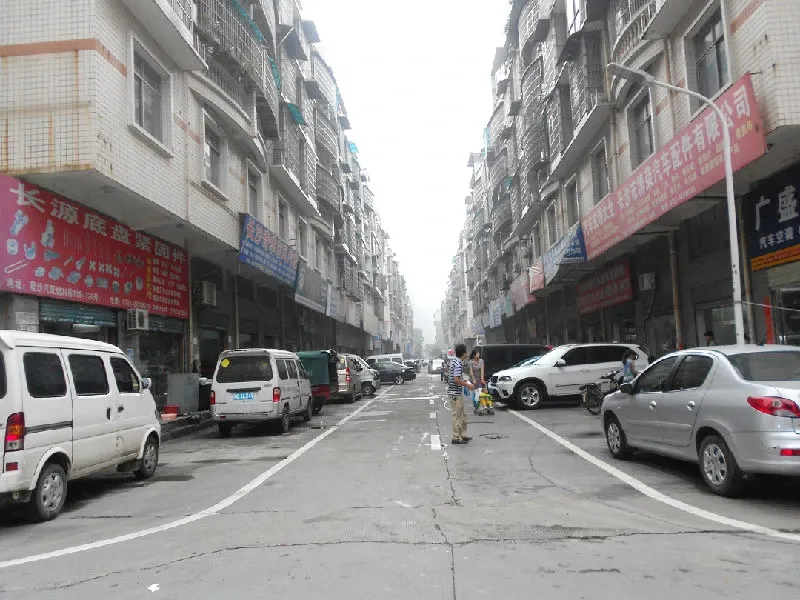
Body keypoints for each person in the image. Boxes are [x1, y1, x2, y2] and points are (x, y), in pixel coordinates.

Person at [448, 344, 474, 445]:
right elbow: (456, 379)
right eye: (466, 352)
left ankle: (463, 434)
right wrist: (468, 385)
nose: (467, 354)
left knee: (462, 414)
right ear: (464, 353)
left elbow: (457, 377)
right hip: (455, 393)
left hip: (455, 392)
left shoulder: (454, 361)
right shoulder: (458, 363)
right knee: (457, 415)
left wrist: (465, 382)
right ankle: (456, 437)